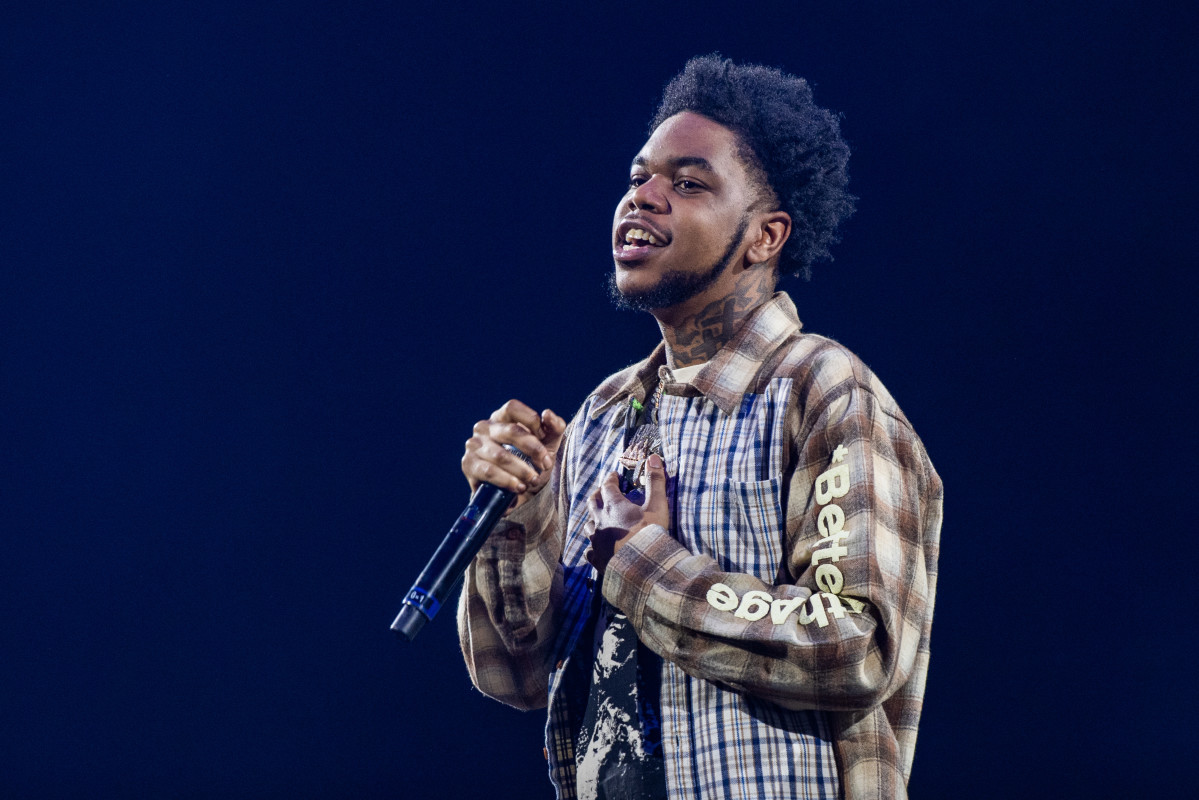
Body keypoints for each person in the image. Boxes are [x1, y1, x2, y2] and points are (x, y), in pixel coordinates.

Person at [456, 55, 942, 800]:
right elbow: (514, 675)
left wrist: (645, 559)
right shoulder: (604, 414)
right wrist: (518, 517)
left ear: (764, 236)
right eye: (637, 177)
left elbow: (858, 647)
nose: (641, 199)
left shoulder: (822, 388)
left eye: (686, 184)